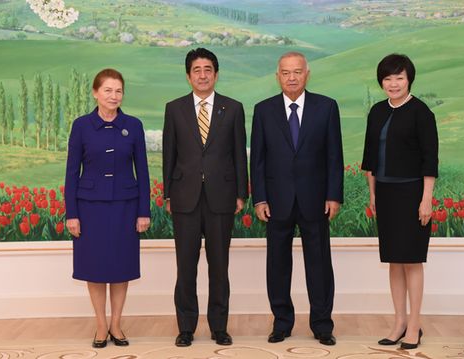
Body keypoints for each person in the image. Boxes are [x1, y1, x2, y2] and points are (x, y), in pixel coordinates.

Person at [250, 52, 344, 346]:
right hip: (276, 201)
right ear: (277, 76)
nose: (292, 77)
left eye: (297, 72)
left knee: (319, 264)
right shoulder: (263, 110)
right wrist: (260, 198)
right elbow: (259, 160)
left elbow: (334, 156)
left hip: (316, 199)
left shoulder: (326, 107)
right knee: (277, 264)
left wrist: (334, 195)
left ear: (307, 74)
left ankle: (322, 324)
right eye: (286, 72)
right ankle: (281, 323)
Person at [162, 48, 248, 347]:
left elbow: (239, 154)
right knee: (185, 266)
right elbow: (169, 154)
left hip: (221, 198)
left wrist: (241, 193)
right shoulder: (174, 109)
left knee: (219, 266)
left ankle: (219, 327)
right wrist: (167, 194)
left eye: (208, 69)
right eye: (196, 70)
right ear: (188, 76)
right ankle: (185, 327)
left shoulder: (233, 108)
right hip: (184, 198)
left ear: (216, 73)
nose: (202, 75)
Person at [65, 68, 151, 348]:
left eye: (118, 91)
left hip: (126, 207)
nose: (114, 96)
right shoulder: (81, 126)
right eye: (108, 90)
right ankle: (101, 324)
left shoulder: (134, 125)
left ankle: (117, 323)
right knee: (95, 268)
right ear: (95, 93)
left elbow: (144, 172)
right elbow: (70, 172)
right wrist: (72, 214)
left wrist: (143, 211)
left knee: (121, 267)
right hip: (89, 209)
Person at [361, 54, 438, 350]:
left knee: (412, 261)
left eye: (399, 78)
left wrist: (426, 199)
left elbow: (430, 160)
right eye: (388, 78)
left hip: (412, 194)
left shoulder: (421, 112)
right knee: (394, 261)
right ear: (381, 81)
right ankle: (399, 323)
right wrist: (373, 193)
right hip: (386, 194)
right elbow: (370, 158)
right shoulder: (377, 111)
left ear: (409, 80)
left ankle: (415, 326)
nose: (393, 84)